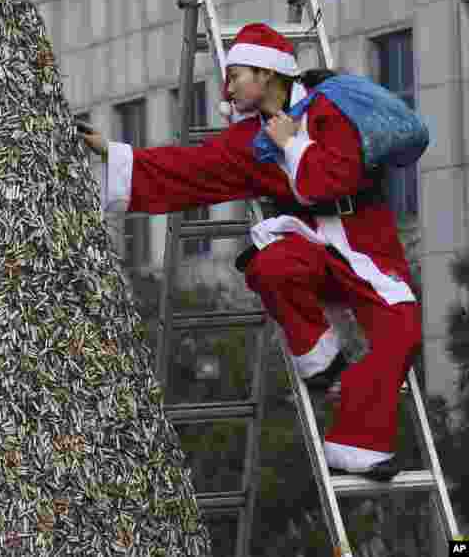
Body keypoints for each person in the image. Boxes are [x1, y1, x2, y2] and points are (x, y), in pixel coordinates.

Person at [80, 23, 421, 482]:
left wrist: (292, 144)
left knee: (402, 329)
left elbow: (331, 180)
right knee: (270, 265)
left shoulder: (329, 108)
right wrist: (115, 154)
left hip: (367, 245)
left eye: (237, 74)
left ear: (266, 74)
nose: (228, 86)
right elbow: (192, 170)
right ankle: (322, 360)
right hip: (310, 242)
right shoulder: (249, 141)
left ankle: (355, 442)